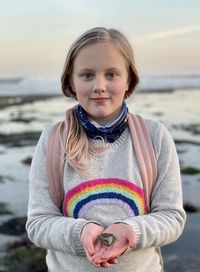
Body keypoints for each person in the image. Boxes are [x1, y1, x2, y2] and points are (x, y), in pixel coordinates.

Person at [26, 27, 186, 271]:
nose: (99, 85)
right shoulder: (53, 140)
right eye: (87, 75)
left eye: (111, 74)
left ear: (129, 79)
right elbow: (38, 223)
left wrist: (130, 230)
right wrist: (80, 232)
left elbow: (172, 217)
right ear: (71, 80)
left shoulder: (156, 137)